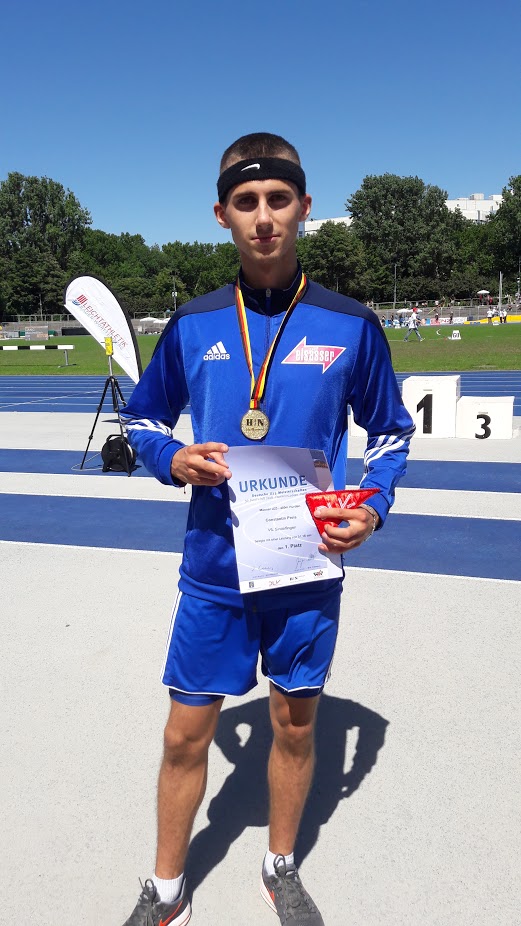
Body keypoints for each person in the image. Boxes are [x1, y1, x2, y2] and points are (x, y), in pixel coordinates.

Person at [119, 132, 414, 926]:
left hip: (304, 569)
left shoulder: (350, 324)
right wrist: (171, 457)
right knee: (184, 737)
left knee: (293, 725)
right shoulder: (193, 323)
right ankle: (167, 886)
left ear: (303, 207)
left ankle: (279, 865)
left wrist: (371, 506)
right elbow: (141, 419)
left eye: (277, 200)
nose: (263, 217)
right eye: (245, 202)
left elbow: (390, 432)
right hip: (214, 569)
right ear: (221, 214)